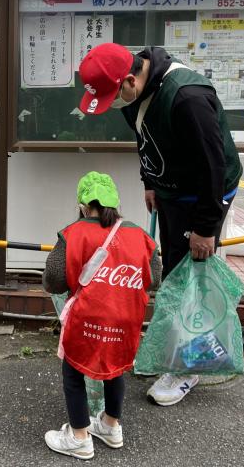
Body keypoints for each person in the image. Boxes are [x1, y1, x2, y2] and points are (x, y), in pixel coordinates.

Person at [78, 43, 242, 406]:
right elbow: (145, 137)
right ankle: (172, 350)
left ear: (131, 80)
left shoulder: (188, 98)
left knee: (189, 277)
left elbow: (213, 166)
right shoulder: (134, 91)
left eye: (112, 96)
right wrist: (150, 182)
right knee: (172, 271)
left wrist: (205, 227)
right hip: (171, 190)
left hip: (203, 195)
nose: (114, 106)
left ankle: (190, 365)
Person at [42, 171, 160, 460]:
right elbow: (154, 279)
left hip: (86, 319)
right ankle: (110, 425)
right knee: (116, 369)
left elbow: (53, 280)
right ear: (115, 204)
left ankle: (79, 436)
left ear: (83, 205)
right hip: (125, 321)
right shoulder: (139, 236)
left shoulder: (73, 234)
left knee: (73, 373)